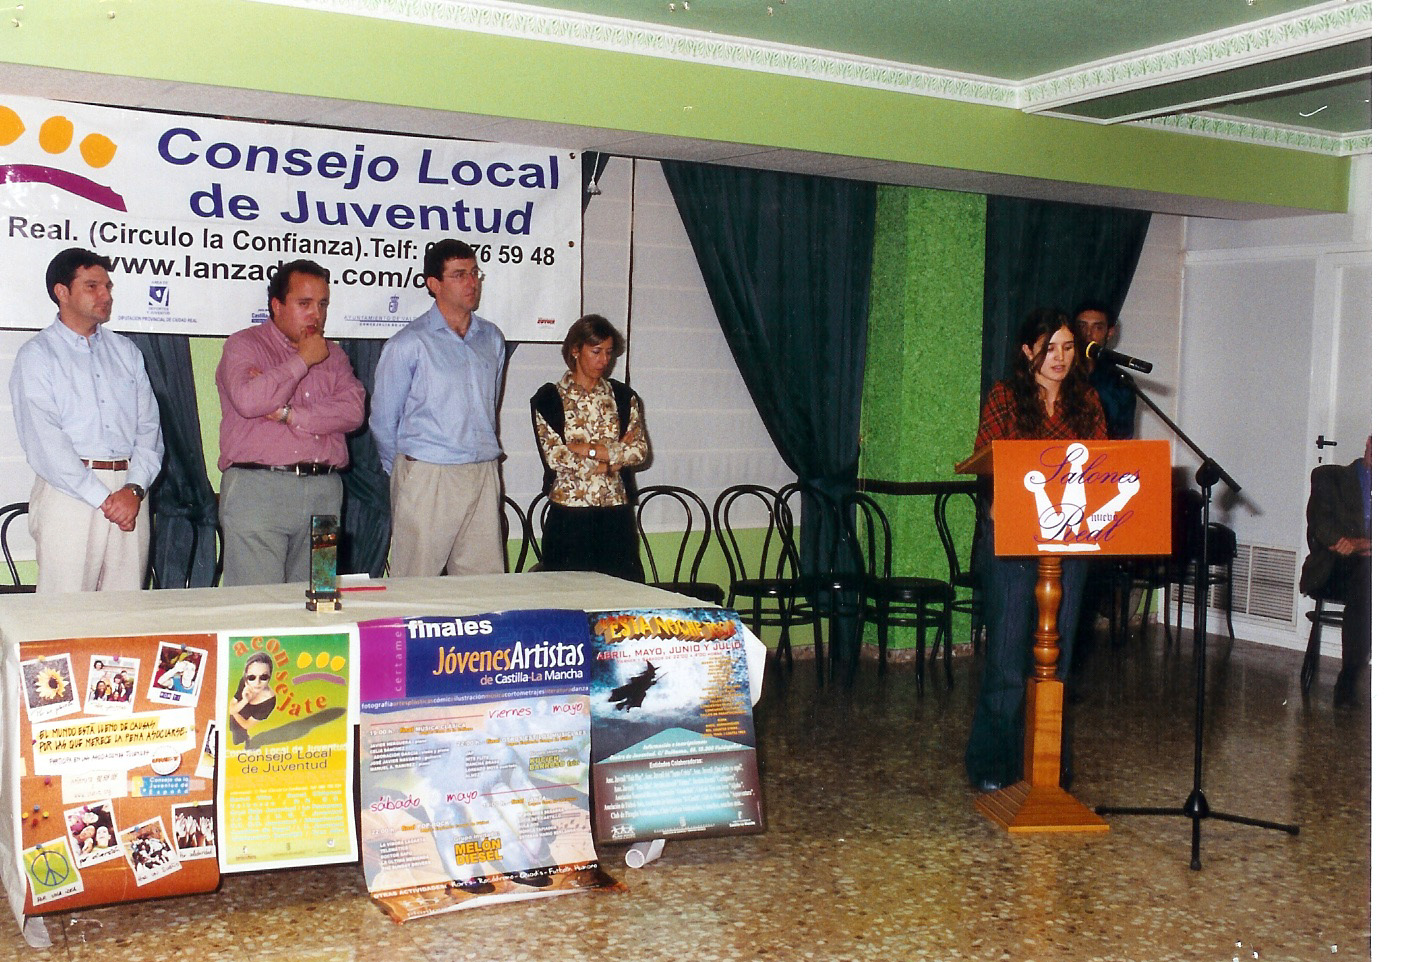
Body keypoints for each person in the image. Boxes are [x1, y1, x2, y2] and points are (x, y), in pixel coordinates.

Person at [966, 308, 1107, 793]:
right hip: (1012, 542)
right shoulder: (1005, 397)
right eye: (1050, 348)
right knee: (1007, 662)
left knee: (1057, 664)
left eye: (1069, 347)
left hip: (1071, 543)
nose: (1060, 357)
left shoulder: (1087, 402)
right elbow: (988, 457)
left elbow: (1102, 469)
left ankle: (1046, 767)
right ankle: (994, 764)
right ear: (1028, 351)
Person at [9, 248, 164, 593]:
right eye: (92, 286)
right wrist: (101, 497)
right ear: (61, 292)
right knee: (64, 611)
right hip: (70, 494)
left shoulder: (127, 352)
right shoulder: (37, 356)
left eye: (107, 286)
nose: (106, 295)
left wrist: (134, 489)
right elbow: (45, 441)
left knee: (124, 611)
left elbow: (149, 429)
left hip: (129, 493)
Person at [215, 260, 365, 586]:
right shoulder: (244, 345)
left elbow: (353, 412)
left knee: (320, 596)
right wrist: (303, 360)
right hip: (259, 490)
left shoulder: (336, 356)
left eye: (322, 304)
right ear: (277, 305)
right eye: (304, 304)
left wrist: (289, 415)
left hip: (325, 493)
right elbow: (250, 400)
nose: (316, 314)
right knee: (259, 607)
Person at [370, 240, 506, 577]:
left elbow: (489, 406)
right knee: (416, 583)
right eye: (459, 275)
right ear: (434, 284)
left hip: (482, 470)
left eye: (475, 273)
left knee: (483, 588)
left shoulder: (492, 338)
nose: (472, 282)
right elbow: (384, 420)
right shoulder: (409, 343)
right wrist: (408, 470)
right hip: (428, 473)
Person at [529, 315, 649, 581]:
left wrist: (588, 450)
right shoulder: (548, 399)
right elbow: (557, 458)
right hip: (569, 516)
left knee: (621, 598)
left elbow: (639, 451)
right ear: (575, 350)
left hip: (616, 513)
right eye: (596, 352)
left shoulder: (622, 396)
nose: (604, 360)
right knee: (569, 600)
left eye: (608, 353)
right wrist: (614, 459)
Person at [1300, 436, 1371, 708]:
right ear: (1367, 442)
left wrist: (1366, 544)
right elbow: (1320, 524)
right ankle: (1349, 678)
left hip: (1373, 561)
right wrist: (1354, 546)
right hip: (1335, 566)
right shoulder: (1333, 478)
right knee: (1368, 576)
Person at [1074, 300, 1136, 440]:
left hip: (1104, 458)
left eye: (1097, 328)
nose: (1088, 334)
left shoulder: (1120, 380)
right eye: (1081, 326)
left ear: (1109, 332)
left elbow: (1124, 438)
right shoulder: (1058, 374)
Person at [228, 651, 277, 746]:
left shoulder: (269, 701)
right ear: (246, 676)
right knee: (233, 729)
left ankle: (245, 739)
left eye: (263, 677)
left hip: (242, 723)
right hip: (236, 716)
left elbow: (246, 724)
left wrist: (234, 711)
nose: (257, 682)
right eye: (251, 677)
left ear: (270, 676)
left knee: (238, 738)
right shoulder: (244, 682)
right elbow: (232, 706)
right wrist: (244, 701)